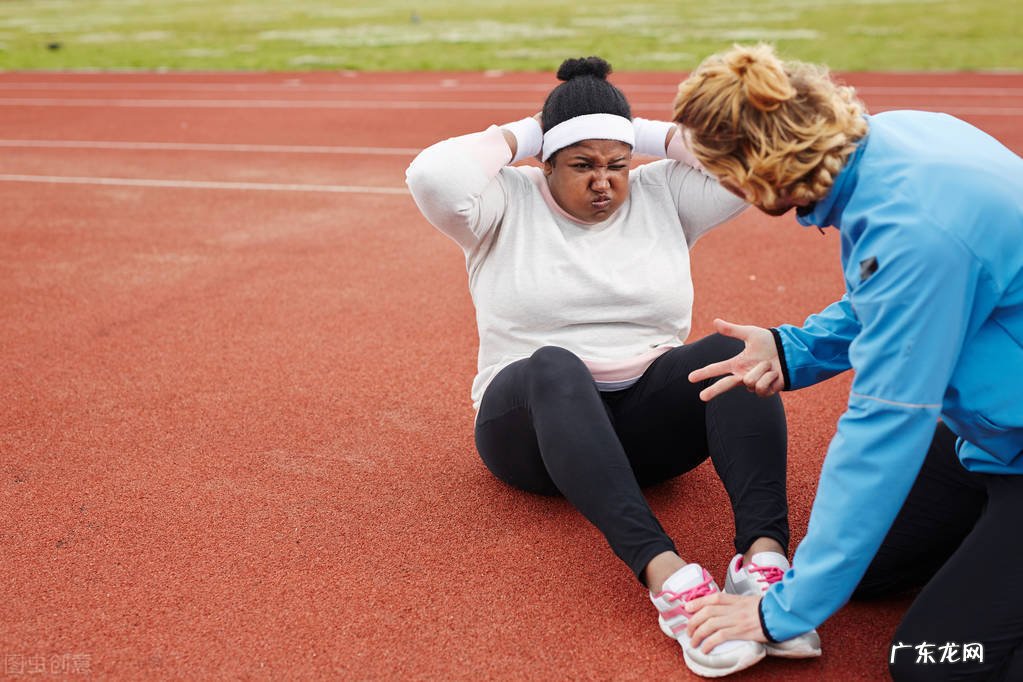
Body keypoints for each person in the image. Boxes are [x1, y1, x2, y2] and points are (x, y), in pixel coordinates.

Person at [406, 56, 821, 678]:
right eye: (581, 164)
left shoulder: (662, 191)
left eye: (616, 164)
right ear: (544, 163)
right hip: (532, 433)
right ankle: (670, 580)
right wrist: (530, 128)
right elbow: (433, 176)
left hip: (645, 429)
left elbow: (753, 163)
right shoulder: (501, 203)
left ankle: (763, 566)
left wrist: (638, 131)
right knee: (555, 365)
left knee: (735, 353)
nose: (604, 181)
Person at [671, 43, 1023, 680]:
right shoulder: (893, 142)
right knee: (865, 570)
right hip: (1000, 442)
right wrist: (792, 348)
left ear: (761, 172)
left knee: (932, 662)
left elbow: (883, 430)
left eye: (728, 178)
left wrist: (781, 612)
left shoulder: (917, 230)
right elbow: (887, 296)